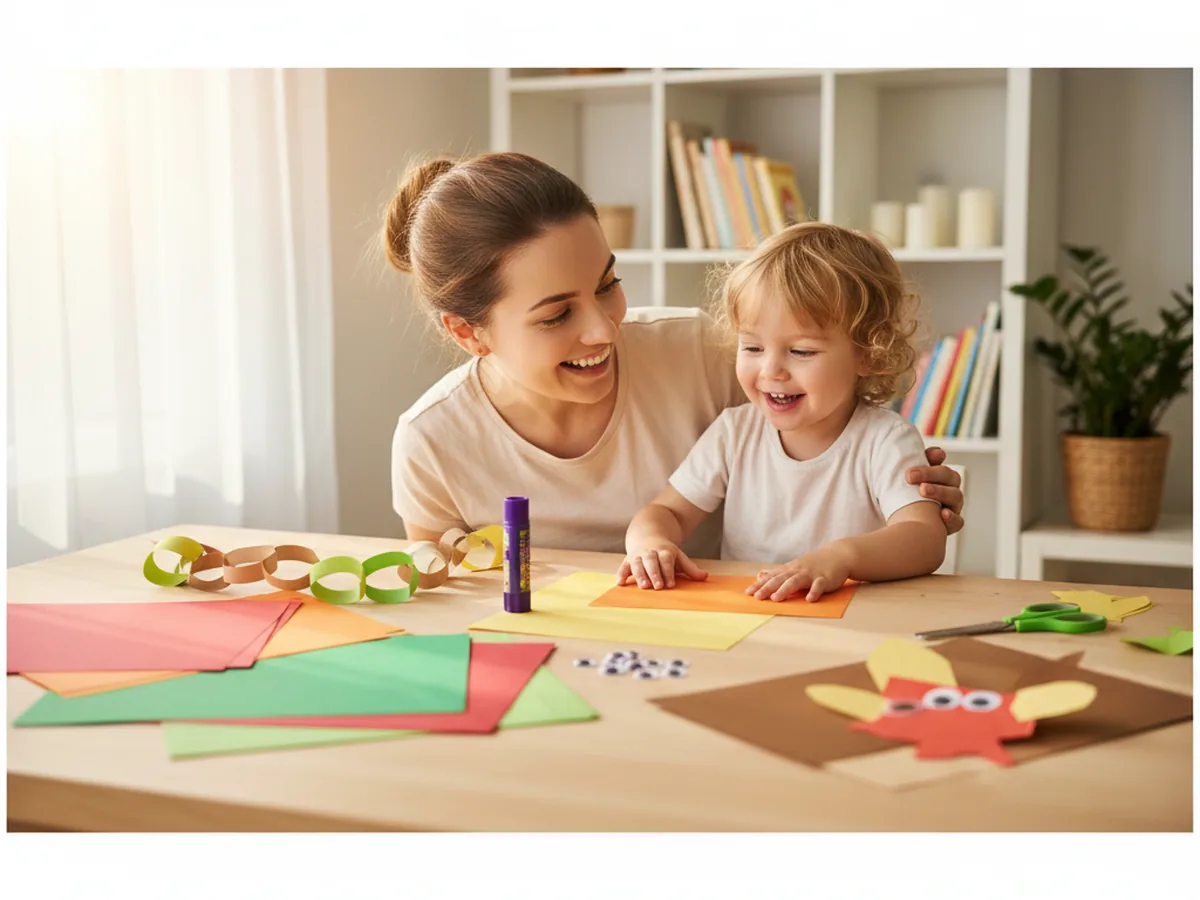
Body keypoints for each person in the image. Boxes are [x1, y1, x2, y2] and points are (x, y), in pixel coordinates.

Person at [382, 151, 965, 560]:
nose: (604, 330)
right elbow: (447, 599)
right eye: (557, 315)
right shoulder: (432, 441)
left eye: (607, 285)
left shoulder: (701, 353)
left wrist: (912, 503)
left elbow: (827, 439)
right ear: (468, 332)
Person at [619, 221, 948, 602]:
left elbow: (925, 538)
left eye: (801, 351)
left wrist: (841, 558)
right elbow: (667, 512)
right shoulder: (734, 433)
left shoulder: (885, 440)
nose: (771, 370)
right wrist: (650, 541)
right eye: (752, 348)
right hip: (750, 614)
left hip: (849, 617)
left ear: (868, 354)